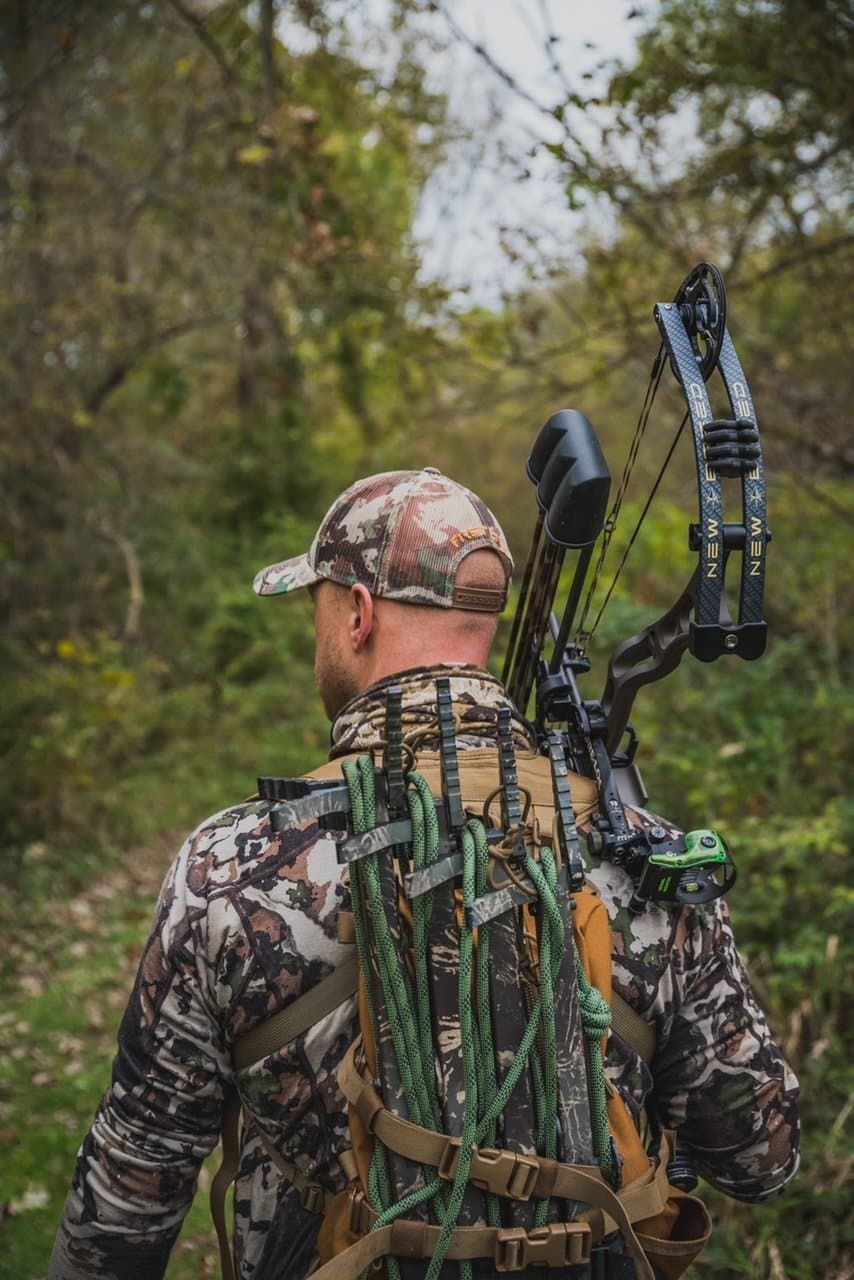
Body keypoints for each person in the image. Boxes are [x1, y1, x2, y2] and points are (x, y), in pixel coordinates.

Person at [49, 468, 800, 1280]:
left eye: (320, 609)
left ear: (358, 614)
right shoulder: (641, 858)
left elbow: (129, 1197)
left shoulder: (227, 869)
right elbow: (761, 1158)